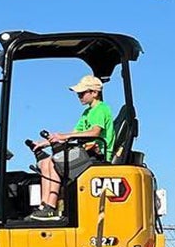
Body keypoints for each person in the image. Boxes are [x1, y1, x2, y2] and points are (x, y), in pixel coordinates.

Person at [29, 75, 115, 220]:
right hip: (87, 152)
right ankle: (44, 206)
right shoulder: (87, 112)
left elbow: (95, 132)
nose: (79, 96)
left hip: (97, 154)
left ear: (94, 93)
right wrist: (44, 143)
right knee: (45, 162)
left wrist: (64, 136)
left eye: (82, 93)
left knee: (56, 161)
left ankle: (51, 207)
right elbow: (74, 133)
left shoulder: (101, 109)